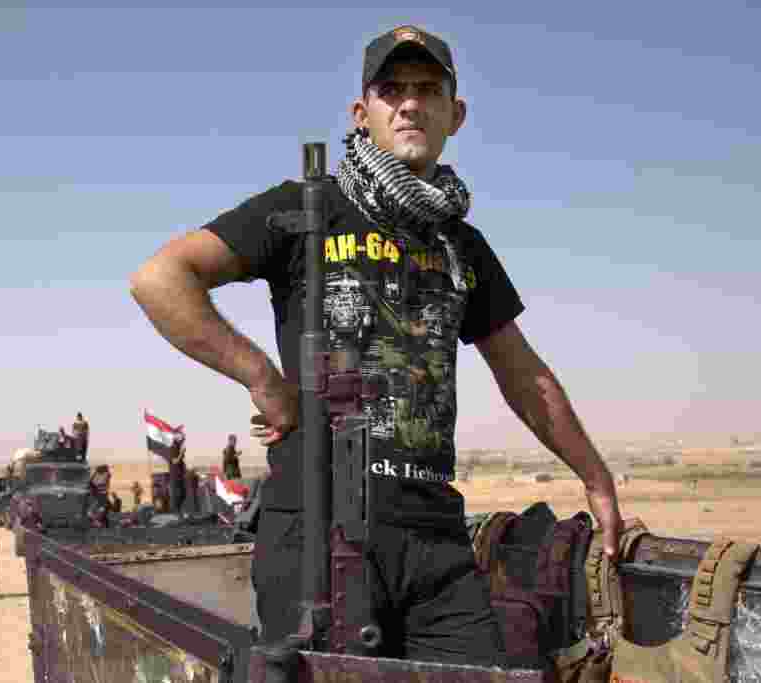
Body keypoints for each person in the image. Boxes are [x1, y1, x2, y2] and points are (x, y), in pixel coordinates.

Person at [129, 24, 623, 666]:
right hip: (318, 531)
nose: (410, 104)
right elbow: (160, 278)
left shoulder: (461, 247)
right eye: (392, 90)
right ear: (363, 115)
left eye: (428, 90)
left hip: (435, 537)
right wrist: (260, 378)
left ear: (456, 114)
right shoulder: (308, 208)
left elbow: (524, 374)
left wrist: (595, 477)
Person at [167, 447, 187, 515]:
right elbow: (175, 461)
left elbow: (182, 464)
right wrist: (182, 453)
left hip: (180, 477)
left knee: (183, 494)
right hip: (174, 478)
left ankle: (179, 510)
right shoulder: (171, 453)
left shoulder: (179, 455)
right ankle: (176, 511)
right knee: (176, 495)